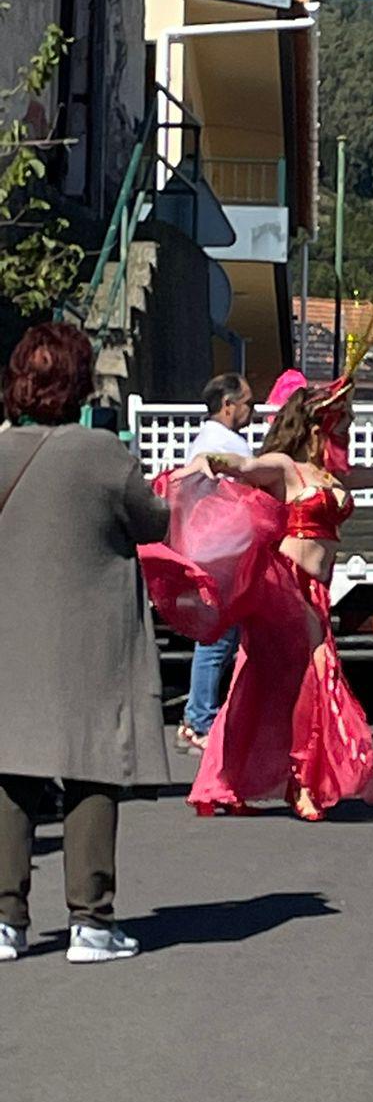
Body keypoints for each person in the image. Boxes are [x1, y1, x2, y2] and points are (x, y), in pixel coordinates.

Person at [166, 369, 373, 820]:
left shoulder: (334, 477)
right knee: (318, 674)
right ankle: (304, 782)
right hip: (284, 587)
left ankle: (243, 780)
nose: (345, 436)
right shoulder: (286, 469)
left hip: (317, 591)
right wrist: (205, 463)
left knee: (270, 686)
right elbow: (242, 466)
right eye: (340, 428)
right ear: (316, 429)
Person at [0, 324, 168, 963]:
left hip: (8, 638)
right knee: (93, 768)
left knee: (10, 771)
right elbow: (154, 522)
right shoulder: (103, 453)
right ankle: (91, 922)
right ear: (79, 384)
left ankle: (5, 921)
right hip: (90, 642)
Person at [178, 372, 256, 751]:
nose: (252, 411)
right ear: (228, 405)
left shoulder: (206, 439)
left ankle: (199, 715)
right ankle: (200, 719)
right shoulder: (226, 444)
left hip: (211, 549)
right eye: (248, 403)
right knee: (217, 640)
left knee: (222, 639)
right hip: (223, 553)